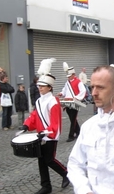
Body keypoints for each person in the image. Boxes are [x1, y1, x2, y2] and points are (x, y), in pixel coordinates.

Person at [19, 58, 69, 194]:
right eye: (39, 85)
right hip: (40, 136)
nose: (39, 87)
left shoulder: (53, 102)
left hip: (49, 136)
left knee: (49, 160)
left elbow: (55, 123)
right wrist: (26, 125)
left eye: (42, 86)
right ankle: (46, 186)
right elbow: (34, 116)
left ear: (50, 87)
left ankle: (66, 173)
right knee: (41, 161)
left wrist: (48, 133)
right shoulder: (39, 101)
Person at [58, 62, 86, 142]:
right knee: (72, 119)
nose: (69, 78)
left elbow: (83, 91)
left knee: (73, 119)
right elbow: (65, 90)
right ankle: (78, 132)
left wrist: (76, 98)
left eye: (70, 76)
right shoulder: (67, 82)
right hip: (67, 103)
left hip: (75, 102)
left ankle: (71, 136)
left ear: (73, 74)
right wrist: (61, 93)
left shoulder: (78, 82)